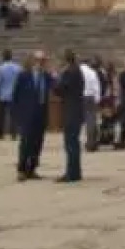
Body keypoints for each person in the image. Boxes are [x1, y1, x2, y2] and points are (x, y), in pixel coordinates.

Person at [12, 50, 51, 179]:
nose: (40, 63)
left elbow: (56, 88)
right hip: (27, 114)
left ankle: (32, 168)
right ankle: (21, 169)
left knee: (38, 142)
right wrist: (17, 114)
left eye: (43, 61)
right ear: (33, 61)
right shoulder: (24, 76)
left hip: (41, 113)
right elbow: (16, 95)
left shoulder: (47, 76)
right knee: (26, 142)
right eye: (38, 60)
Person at [54, 50, 86, 183]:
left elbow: (60, 89)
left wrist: (56, 78)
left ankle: (71, 173)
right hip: (77, 109)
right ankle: (76, 172)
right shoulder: (78, 71)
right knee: (75, 143)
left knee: (70, 143)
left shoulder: (69, 72)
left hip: (70, 110)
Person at [0, 50, 21, 140]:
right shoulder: (17, 68)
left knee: (0, 115)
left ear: (3, 57)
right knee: (14, 115)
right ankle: (14, 133)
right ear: (11, 56)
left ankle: (0, 134)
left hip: (2, 94)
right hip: (14, 94)